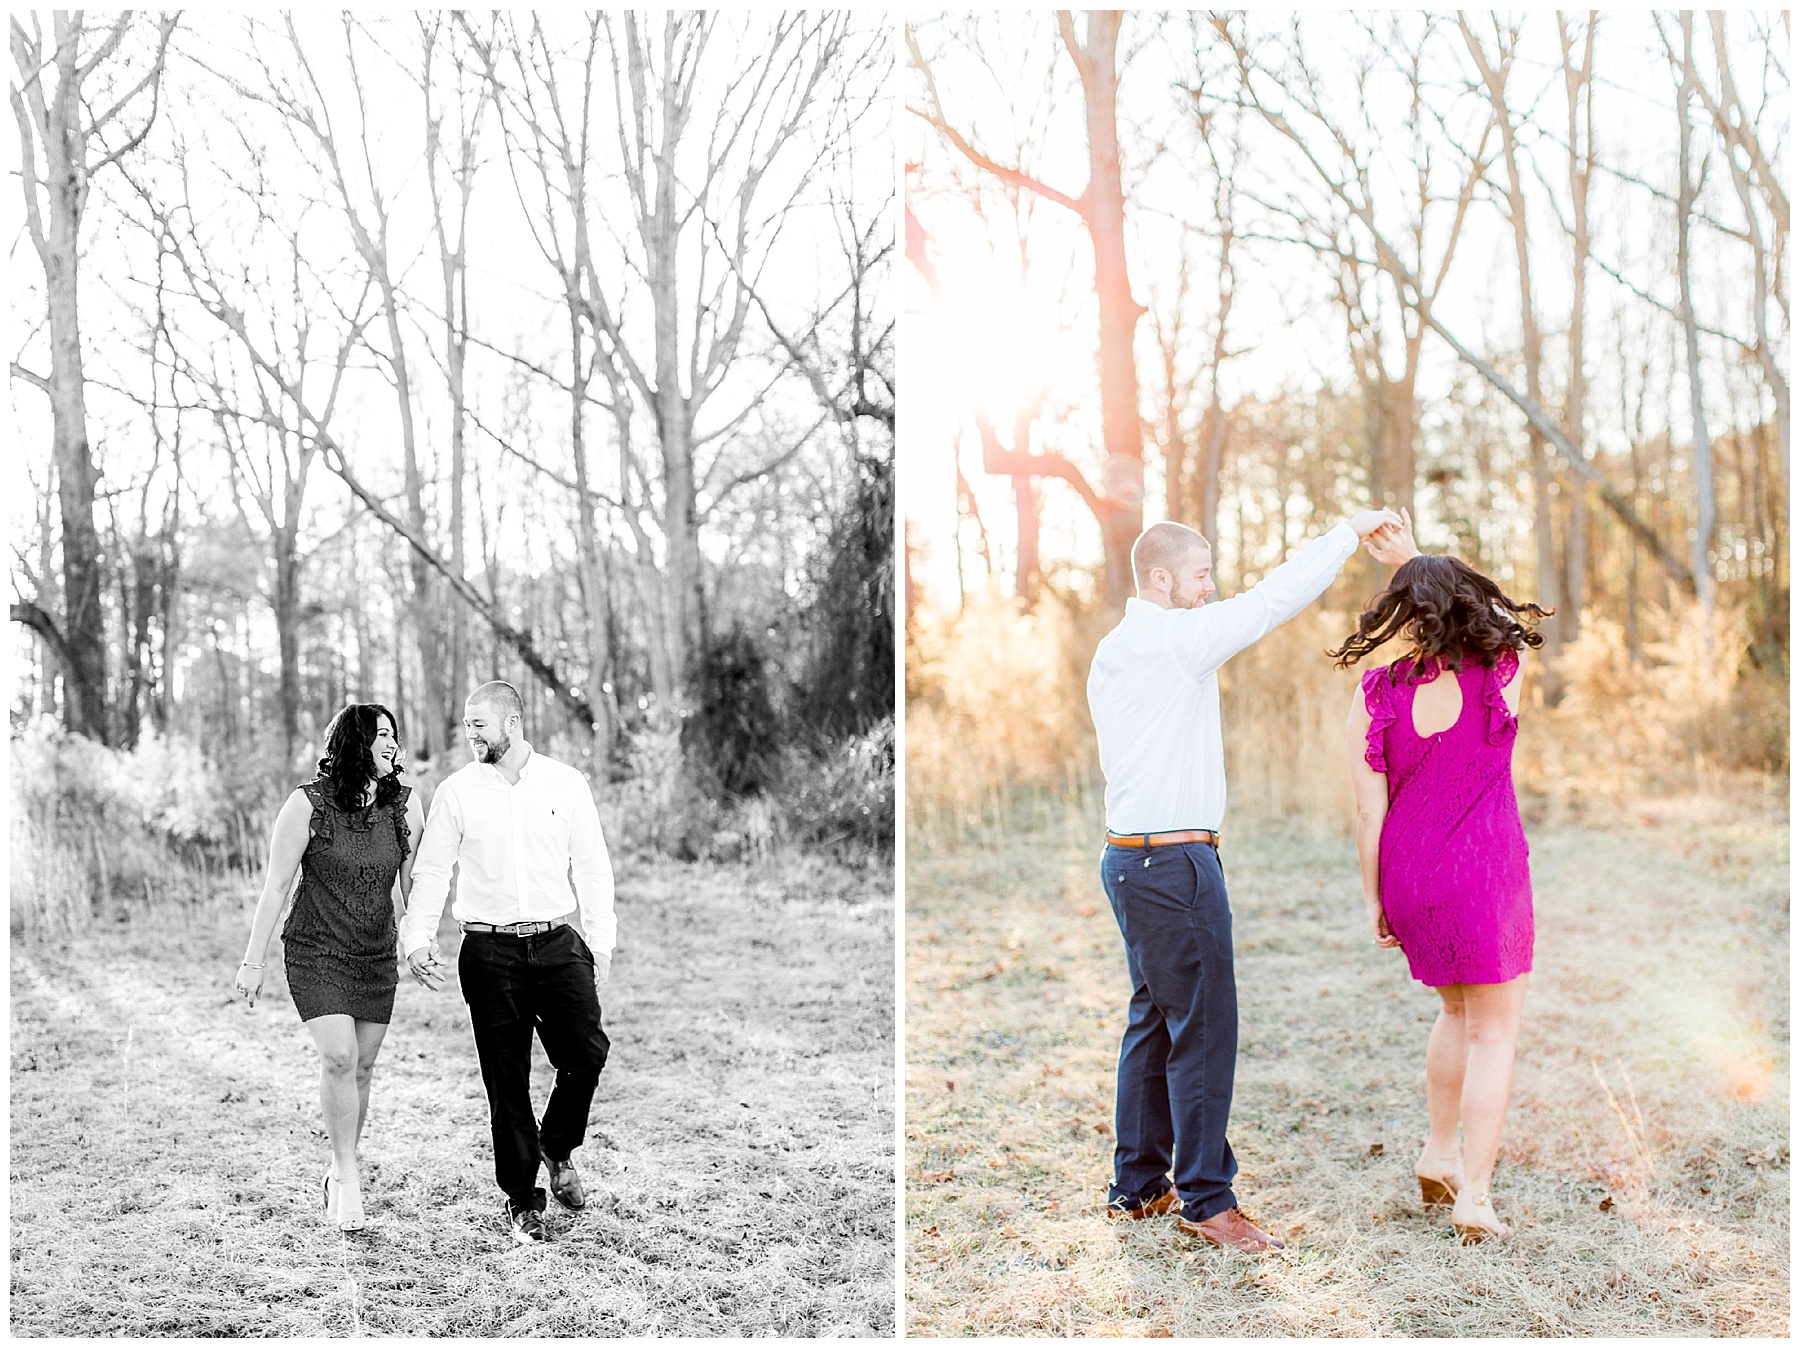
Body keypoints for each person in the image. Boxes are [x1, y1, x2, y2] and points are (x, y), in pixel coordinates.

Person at [1086, 506, 1400, 1254]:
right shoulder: (1176, 640)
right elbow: (1271, 600)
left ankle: (1138, 1186)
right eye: (1199, 576)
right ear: (1159, 577)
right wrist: (1345, 535)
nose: (1210, 589)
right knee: (1203, 1029)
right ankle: (1205, 1198)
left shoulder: (1114, 648)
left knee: (1154, 1020)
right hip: (1175, 865)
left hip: (1127, 860)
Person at [1330, 513, 1549, 1242]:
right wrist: (1420, 559)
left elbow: (1368, 814)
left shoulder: (1377, 692)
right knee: (1495, 1032)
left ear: (1407, 617)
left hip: (1410, 877)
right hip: (1484, 873)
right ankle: (1476, 1197)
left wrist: (1373, 898)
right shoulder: (1502, 673)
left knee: (1455, 1013)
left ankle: (1438, 1151)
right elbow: (1503, 624)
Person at [399, 680, 616, 1246]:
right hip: (489, 951)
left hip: (558, 942)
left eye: (479, 725)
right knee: (507, 1080)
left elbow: (593, 866)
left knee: (587, 1054)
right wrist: (417, 936)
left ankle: (557, 1146)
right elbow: (432, 871)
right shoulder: (457, 791)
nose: (470, 734)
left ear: (512, 723)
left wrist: (601, 942)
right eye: (468, 725)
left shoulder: (566, 784)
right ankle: (523, 1201)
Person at [235, 703, 424, 1232]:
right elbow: (275, 886)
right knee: (339, 1058)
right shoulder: (306, 805)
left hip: (374, 952)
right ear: (354, 744)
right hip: (316, 949)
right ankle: (346, 1176)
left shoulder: (405, 809)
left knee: (362, 1067)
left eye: (394, 735)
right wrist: (253, 959)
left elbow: (413, 888)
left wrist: (419, 944)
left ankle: (339, 1164)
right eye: (379, 735)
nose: (391, 744)